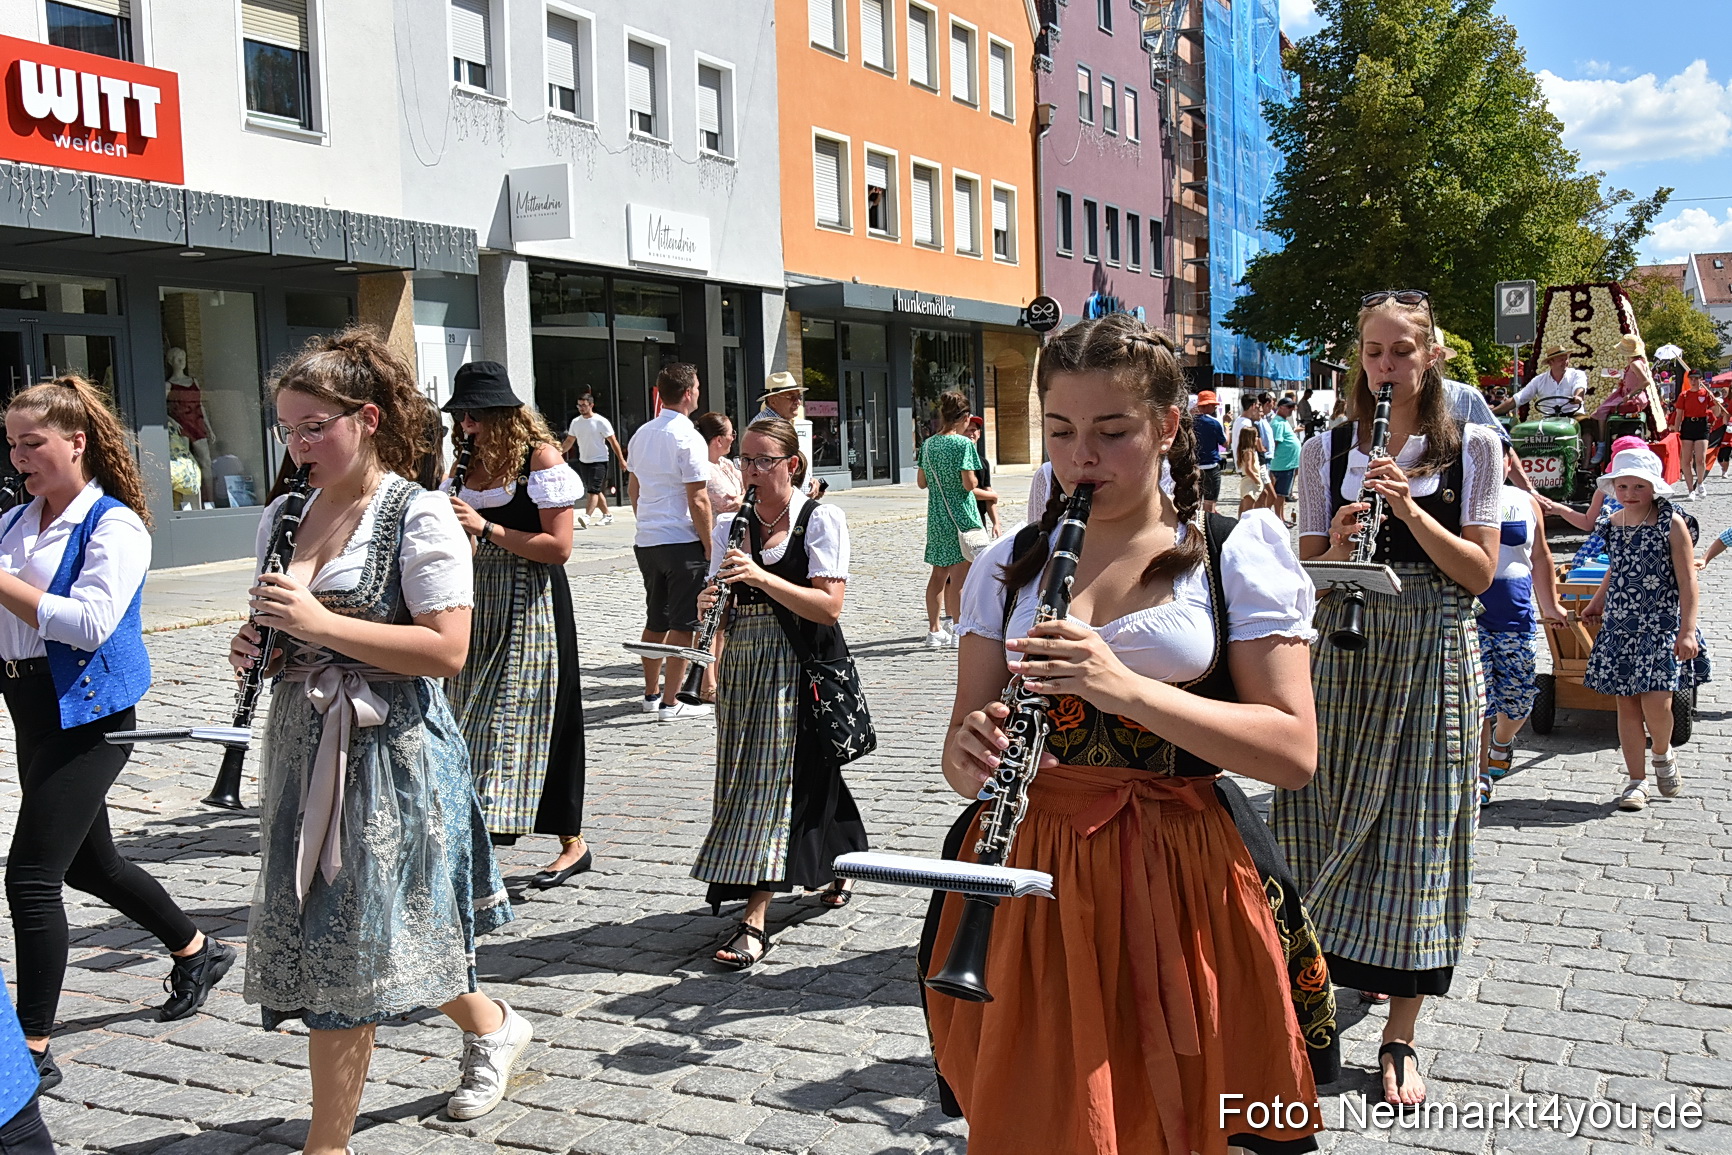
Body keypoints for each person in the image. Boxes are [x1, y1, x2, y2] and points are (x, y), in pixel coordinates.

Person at [929, 315, 1334, 1154]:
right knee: (1049, 1113)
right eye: (1062, 431)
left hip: (1181, 870)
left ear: (1167, 428)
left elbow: (1293, 752)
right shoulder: (1008, 566)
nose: (1083, 458)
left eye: (1112, 432)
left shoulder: (1229, 551)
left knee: (1177, 1106)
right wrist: (969, 749)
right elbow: (961, 759)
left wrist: (1123, 688)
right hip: (1033, 872)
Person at [230, 329, 529, 1148]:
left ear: (365, 418)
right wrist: (261, 646)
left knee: (352, 943)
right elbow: (285, 628)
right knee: (373, 932)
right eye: (288, 429)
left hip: (389, 753)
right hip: (304, 743)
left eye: (314, 426)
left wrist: (323, 623)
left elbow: (448, 649)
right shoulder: (285, 514)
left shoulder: (418, 511)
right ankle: (494, 1023)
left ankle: (328, 1144)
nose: (299, 446)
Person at [1275, 290, 1502, 1107]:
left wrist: (1408, 507)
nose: (1384, 366)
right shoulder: (1322, 447)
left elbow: (1478, 573)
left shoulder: (1471, 443)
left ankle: (1401, 1032)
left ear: (1432, 353)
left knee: (1420, 834)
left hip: (1434, 649)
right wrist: (1337, 540)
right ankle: (1308, 997)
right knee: (1317, 817)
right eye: (1372, 351)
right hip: (1346, 646)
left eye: (1400, 351)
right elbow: (1299, 572)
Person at [0, 376, 235, 1094]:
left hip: (91, 710)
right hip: (30, 703)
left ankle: (30, 1047)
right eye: (11, 444)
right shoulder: (15, 521)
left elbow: (89, 622)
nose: (18, 457)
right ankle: (196, 949)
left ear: (76, 440)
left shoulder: (115, 524)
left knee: (31, 877)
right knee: (88, 863)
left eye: (31, 442)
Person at [693, 417, 867, 967]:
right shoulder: (730, 526)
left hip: (801, 662)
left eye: (763, 461)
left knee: (776, 780)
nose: (751, 472)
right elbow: (722, 600)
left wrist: (761, 578)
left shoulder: (820, 519)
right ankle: (841, 861)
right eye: (744, 461)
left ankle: (754, 917)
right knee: (792, 774)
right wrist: (709, 640)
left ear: (791, 465)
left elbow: (829, 606)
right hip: (747, 664)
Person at [442, 363, 589, 890]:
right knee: (466, 712)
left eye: (475, 415)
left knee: (538, 715)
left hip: (533, 600)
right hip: (475, 602)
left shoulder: (541, 460)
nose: (466, 425)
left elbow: (559, 548)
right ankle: (471, 838)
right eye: (462, 415)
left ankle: (571, 842)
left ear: (504, 414)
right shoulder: (463, 463)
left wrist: (486, 526)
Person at [1581, 448, 1699, 811]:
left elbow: (1688, 580)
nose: (1630, 493)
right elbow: (1617, 568)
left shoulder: (1671, 523)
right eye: (1623, 485)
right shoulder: (1614, 524)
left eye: (1638, 486)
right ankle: (1636, 781)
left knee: (1658, 702)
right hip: (1621, 624)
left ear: (1653, 488)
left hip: (1660, 623)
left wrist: (1688, 630)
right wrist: (1598, 600)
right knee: (1627, 705)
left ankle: (1661, 754)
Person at [626, 364, 715, 721]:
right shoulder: (689, 436)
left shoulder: (642, 433)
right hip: (681, 540)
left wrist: (647, 520)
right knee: (682, 624)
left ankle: (650, 694)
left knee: (655, 619)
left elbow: (634, 489)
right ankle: (671, 701)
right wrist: (710, 546)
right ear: (690, 393)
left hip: (648, 539)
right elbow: (699, 499)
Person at [1476, 477, 1566, 804]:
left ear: (1509, 462)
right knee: (1478, 700)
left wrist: (1551, 604)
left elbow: (1541, 556)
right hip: (1471, 615)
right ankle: (1481, 774)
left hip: (1515, 617)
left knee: (1518, 699)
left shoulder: (1524, 500)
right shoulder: (1459, 494)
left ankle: (1502, 742)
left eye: (1498, 454)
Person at [917, 390, 983, 649]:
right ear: (965, 417)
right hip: (961, 516)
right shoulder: (964, 444)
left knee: (937, 575)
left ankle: (934, 632)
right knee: (960, 577)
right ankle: (957, 630)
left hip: (937, 517)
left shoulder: (928, 444)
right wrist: (974, 480)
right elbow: (969, 484)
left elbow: (922, 483)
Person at [559, 392, 626, 528]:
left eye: (584, 405)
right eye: (579, 405)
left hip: (600, 460)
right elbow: (569, 441)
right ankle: (607, 515)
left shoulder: (601, 422)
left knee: (593, 490)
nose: (581, 408)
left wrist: (621, 460)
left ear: (591, 405)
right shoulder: (576, 422)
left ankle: (587, 516)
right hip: (584, 460)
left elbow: (613, 441)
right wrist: (557, 453)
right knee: (594, 489)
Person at [1668, 373, 1726, 500]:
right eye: (1691, 379)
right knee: (1686, 460)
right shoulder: (1684, 395)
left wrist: (1715, 403)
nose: (1693, 381)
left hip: (1702, 425)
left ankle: (1700, 483)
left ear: (1700, 379)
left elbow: (1716, 412)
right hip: (1688, 425)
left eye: (1696, 378)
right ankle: (1690, 490)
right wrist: (1676, 430)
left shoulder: (1706, 394)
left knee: (1700, 459)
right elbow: (1679, 414)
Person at [1494, 344, 1588, 417]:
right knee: (1530, 432)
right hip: (1550, 418)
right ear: (1551, 362)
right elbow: (1519, 398)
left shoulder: (1577, 374)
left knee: (1586, 426)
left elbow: (1580, 387)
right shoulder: (1539, 380)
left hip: (1574, 416)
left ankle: (1592, 443)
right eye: (1561, 360)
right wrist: (1492, 412)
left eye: (1566, 359)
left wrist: (1578, 397)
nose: (1565, 362)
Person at [696, 412, 743, 515]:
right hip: (719, 530)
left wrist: (742, 499)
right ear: (719, 440)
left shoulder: (725, 463)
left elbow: (750, 486)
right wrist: (745, 499)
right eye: (731, 434)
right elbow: (729, 504)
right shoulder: (705, 469)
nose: (733, 439)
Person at [1192, 390, 1229, 513]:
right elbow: (1225, 443)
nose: (1214, 408)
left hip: (1194, 466)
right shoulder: (1214, 422)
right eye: (1213, 405)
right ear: (1207, 405)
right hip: (1211, 467)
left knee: (1195, 501)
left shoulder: (1189, 422)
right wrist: (1227, 426)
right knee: (1210, 502)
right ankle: (1207, 529)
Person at [964, 416, 1001, 536]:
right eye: (967, 430)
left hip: (979, 520)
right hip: (962, 519)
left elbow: (987, 493)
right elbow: (967, 490)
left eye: (973, 430)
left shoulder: (983, 462)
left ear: (979, 434)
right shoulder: (956, 460)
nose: (970, 433)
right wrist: (993, 495)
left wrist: (996, 523)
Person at [1268, 395, 1303, 522]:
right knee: (1280, 494)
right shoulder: (1278, 423)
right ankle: (1279, 519)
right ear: (1280, 408)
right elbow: (1275, 443)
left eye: (1293, 407)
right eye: (1289, 407)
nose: (1291, 409)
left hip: (1287, 463)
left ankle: (1281, 517)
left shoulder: (1282, 421)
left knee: (1282, 494)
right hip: (1283, 463)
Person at [1235, 423, 1268, 515]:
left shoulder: (1251, 451)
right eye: (1256, 436)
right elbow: (1248, 469)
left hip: (1251, 481)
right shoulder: (1248, 452)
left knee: (1263, 495)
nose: (1258, 439)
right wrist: (1257, 480)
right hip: (1250, 482)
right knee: (1248, 509)